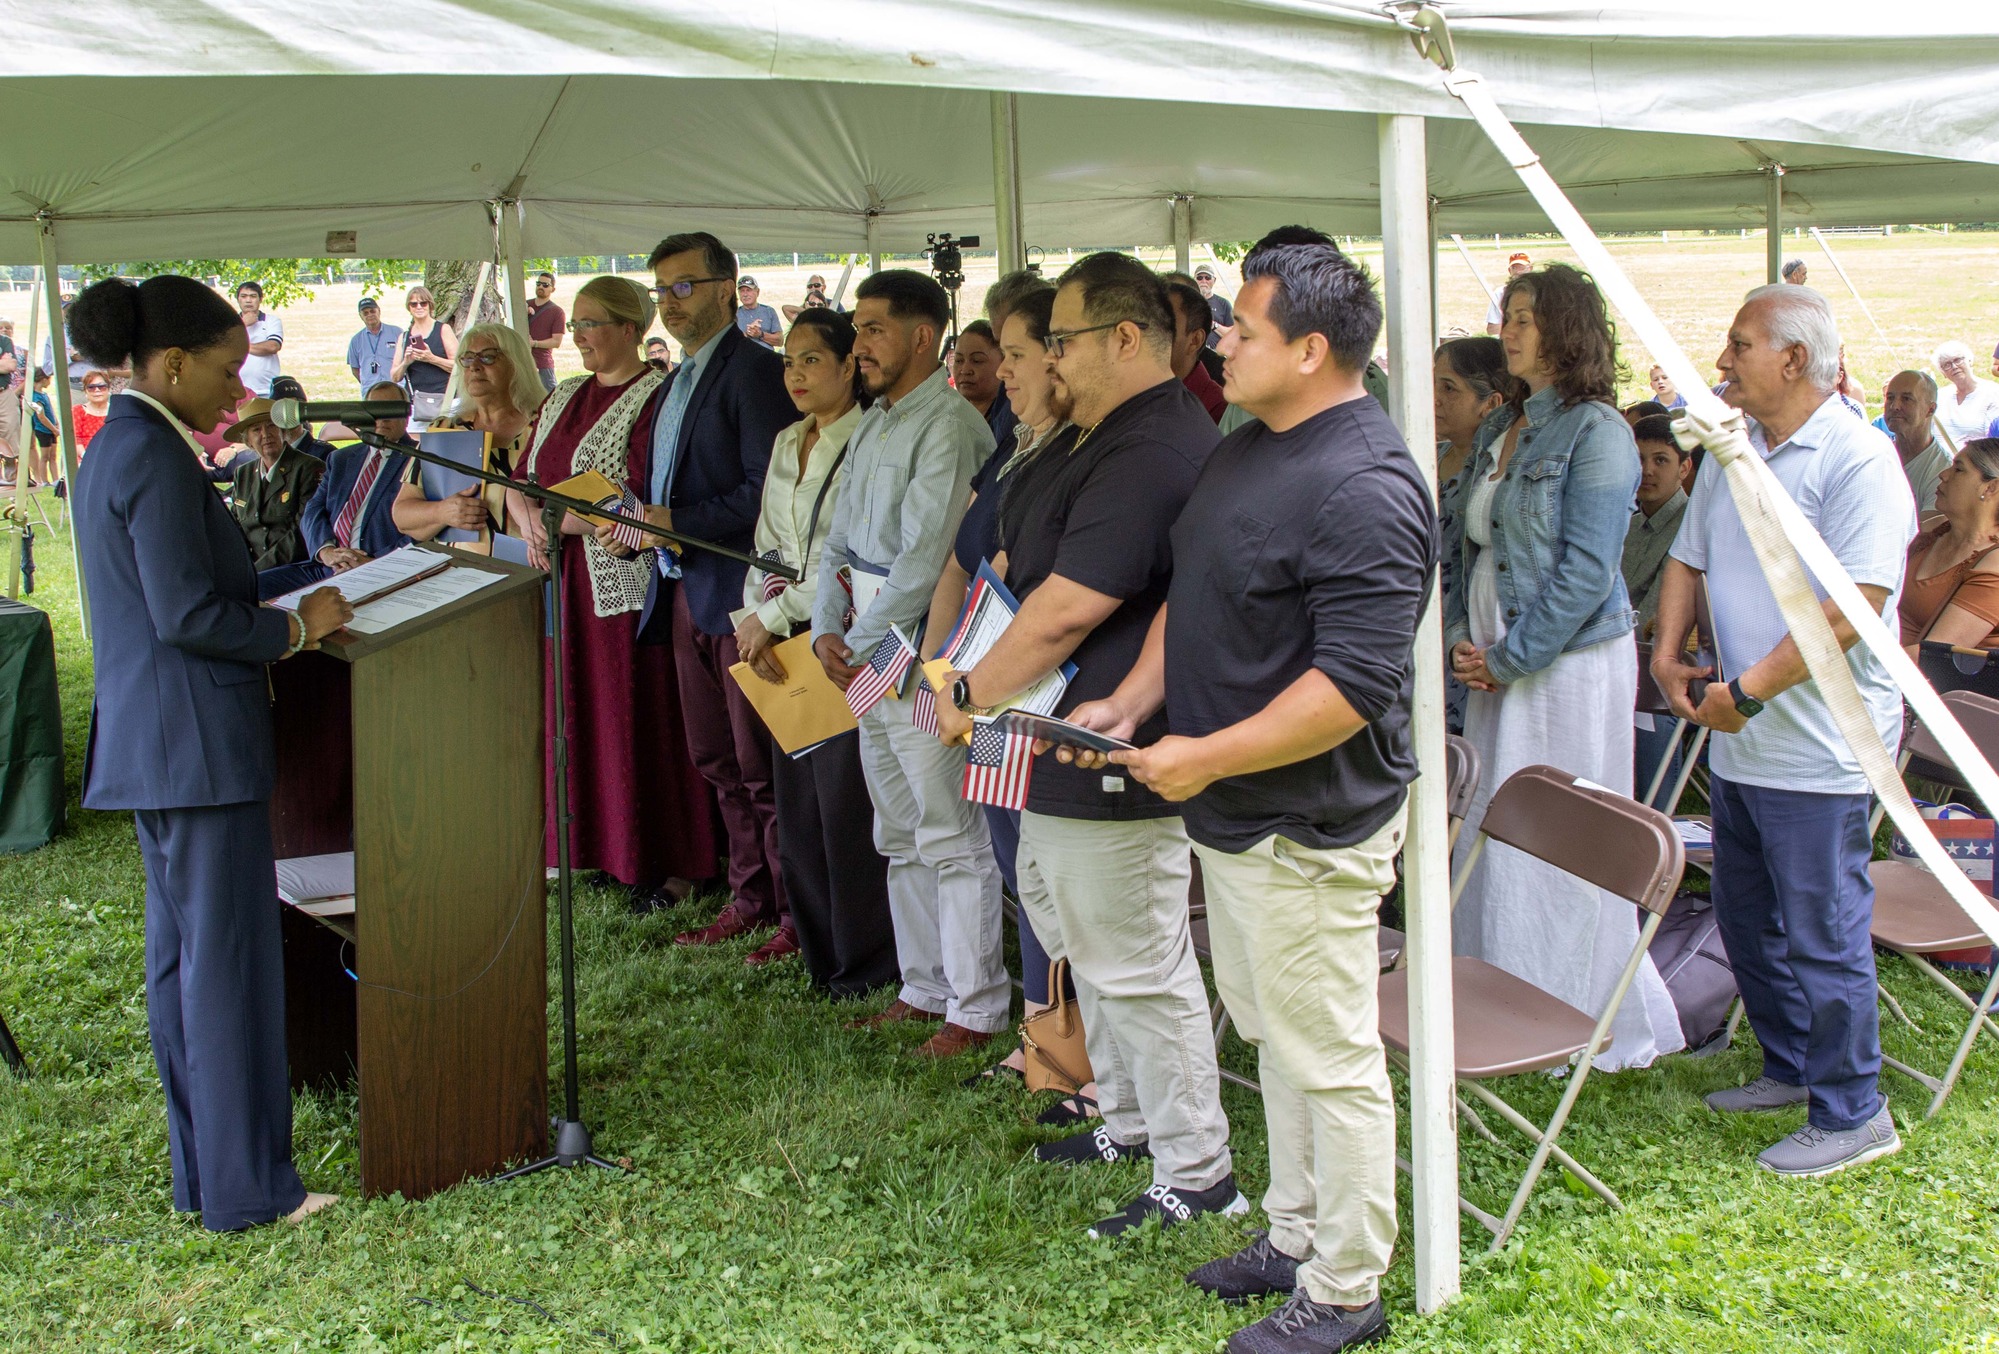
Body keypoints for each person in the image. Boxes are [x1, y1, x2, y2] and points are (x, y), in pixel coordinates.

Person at [1066, 240, 1437, 1353]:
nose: (1216, 340)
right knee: (1274, 1037)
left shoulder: (1367, 484)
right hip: (1233, 811)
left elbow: (1352, 689)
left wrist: (1209, 753)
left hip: (1309, 824)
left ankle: (1345, 1287)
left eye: (1241, 329)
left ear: (1313, 350)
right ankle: (1291, 1232)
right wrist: (1134, 703)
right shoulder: (1244, 441)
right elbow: (1198, 585)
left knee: (1325, 1052)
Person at [934, 250, 1238, 1234]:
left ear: (1122, 338)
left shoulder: (1152, 445)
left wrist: (965, 686)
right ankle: (1132, 1118)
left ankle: (1197, 1171)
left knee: (1137, 960)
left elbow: (1066, 606)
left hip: (1123, 745)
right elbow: (1022, 563)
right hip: (1059, 736)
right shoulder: (1093, 432)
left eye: (1060, 338)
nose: (1049, 356)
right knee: (1085, 949)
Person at [68, 273, 352, 1231]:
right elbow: (187, 613)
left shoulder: (126, 444)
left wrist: (308, 573)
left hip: (162, 744)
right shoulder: (153, 453)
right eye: (231, 371)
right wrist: (295, 632)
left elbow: (192, 579)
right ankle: (249, 1192)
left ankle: (211, 1180)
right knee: (223, 967)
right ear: (174, 362)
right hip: (196, 743)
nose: (241, 393)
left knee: (188, 965)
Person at [1652, 282, 1912, 1176]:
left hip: (1817, 746)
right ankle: (1790, 1065)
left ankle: (1853, 1110)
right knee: (1745, 911)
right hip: (1743, 738)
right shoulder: (1737, 451)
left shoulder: (1857, 460)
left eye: (1737, 346)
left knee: (1822, 931)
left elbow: (1855, 609)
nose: (1721, 362)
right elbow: (1688, 554)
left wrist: (1747, 692)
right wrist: (1666, 650)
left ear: (1793, 359)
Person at [1445, 262, 1684, 1071]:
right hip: (1492, 659)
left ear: (1564, 330)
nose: (1506, 329)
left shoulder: (1599, 431)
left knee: (1553, 828)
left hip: (1563, 666)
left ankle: (1569, 1008)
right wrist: (1457, 638)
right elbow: (1461, 541)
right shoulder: (1497, 428)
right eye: (1505, 314)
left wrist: (1509, 658)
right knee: (1491, 822)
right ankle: (1492, 992)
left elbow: (1585, 572)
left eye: (1522, 316)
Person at [811, 269, 1007, 1056]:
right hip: (863, 652)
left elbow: (929, 561)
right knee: (897, 828)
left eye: (873, 329)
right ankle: (923, 986)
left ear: (922, 337)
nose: (858, 345)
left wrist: (857, 644)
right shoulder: (874, 422)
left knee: (951, 831)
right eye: (856, 330)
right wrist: (825, 625)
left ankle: (976, 1004)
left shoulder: (949, 425)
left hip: (924, 652)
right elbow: (835, 539)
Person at [605, 232, 793, 953]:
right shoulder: (677, 378)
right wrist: (630, 518)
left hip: (741, 595)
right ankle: (747, 898)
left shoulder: (751, 374)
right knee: (716, 759)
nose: (669, 305)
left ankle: (788, 912)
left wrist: (672, 522)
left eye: (683, 288)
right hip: (682, 589)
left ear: (725, 288)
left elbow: (764, 494)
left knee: (758, 766)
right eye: (660, 292)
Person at [508, 274, 718, 905]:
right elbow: (522, 479)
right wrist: (532, 527)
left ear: (631, 328)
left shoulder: (657, 396)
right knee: (578, 716)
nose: (578, 337)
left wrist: (553, 521)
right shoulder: (564, 393)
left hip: (625, 582)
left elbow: (640, 497)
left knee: (633, 717)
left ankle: (669, 860)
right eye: (574, 325)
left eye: (591, 324)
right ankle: (601, 849)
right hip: (564, 578)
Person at [736, 309, 894, 995]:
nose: (795, 373)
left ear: (848, 366)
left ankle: (864, 959)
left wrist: (774, 614)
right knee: (796, 799)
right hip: (774, 632)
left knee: (843, 805)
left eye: (811, 360)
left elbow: (840, 551)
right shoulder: (784, 439)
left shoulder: (867, 439)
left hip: (837, 631)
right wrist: (754, 618)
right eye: (788, 361)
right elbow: (766, 539)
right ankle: (818, 948)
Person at [254, 381, 420, 599]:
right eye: (375, 409)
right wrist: (325, 551)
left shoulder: (419, 459)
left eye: (390, 408)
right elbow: (313, 509)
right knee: (252, 588)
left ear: (406, 413)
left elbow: (423, 527)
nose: (382, 416)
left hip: (377, 567)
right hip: (328, 565)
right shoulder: (341, 458)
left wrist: (377, 563)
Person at [396, 321, 545, 542]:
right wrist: (442, 512)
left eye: (488, 356)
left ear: (516, 364)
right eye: (467, 358)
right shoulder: (447, 430)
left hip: (534, 570)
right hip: (461, 570)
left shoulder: (544, 429)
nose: (474, 366)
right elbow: (402, 516)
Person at [1433, 336, 1510, 737]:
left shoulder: (1493, 477)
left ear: (1491, 404)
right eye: (1432, 384)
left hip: (1465, 635)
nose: (1434, 398)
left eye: (1449, 388)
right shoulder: (1423, 457)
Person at [1899, 437, 1999, 656]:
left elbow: (1932, 657)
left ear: (1990, 487)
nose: (1943, 474)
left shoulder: (1994, 567)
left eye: (1958, 469)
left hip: (1907, 680)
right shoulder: (1933, 531)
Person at [226, 397, 325, 569]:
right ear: (247, 440)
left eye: (271, 426)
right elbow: (234, 530)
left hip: (295, 567)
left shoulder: (307, 468)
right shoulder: (243, 473)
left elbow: (302, 532)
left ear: (283, 431)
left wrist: (257, 571)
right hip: (253, 568)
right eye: (256, 430)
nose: (266, 435)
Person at [1624, 413, 1692, 639]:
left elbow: (1649, 625)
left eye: (1660, 460)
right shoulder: (1626, 525)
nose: (1646, 470)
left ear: (1684, 468)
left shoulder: (1691, 529)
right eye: (1638, 459)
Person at [1881, 369, 1951, 513]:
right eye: (1890, 398)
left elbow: (1929, 532)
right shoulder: (1877, 455)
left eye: (1906, 399)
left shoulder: (1942, 470)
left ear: (1930, 409)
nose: (1895, 406)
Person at [391, 287, 457, 425]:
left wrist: (431, 358)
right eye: (414, 304)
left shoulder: (443, 329)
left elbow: (458, 367)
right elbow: (394, 377)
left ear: (430, 305)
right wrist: (406, 362)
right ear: (409, 307)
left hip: (447, 401)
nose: (419, 307)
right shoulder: (404, 337)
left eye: (423, 303)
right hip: (418, 404)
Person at [1164, 279, 1227, 422]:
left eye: (1164, 325)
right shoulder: (1136, 390)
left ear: (1195, 340)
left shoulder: (1217, 408)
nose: (1149, 334)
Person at [950, 319, 1013, 449]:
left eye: (977, 361)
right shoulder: (949, 414)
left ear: (1003, 362)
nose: (965, 370)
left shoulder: (1010, 420)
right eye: (958, 360)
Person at [1933, 340, 1999, 446]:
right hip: (1938, 460)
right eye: (1947, 365)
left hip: (1975, 460)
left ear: (1970, 361)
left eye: (1958, 360)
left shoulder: (1993, 393)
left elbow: (1993, 442)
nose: (1954, 366)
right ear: (1943, 373)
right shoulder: (1939, 396)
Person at [234, 281, 283, 396]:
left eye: (253, 296)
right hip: (236, 391)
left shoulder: (271, 321)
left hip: (266, 390)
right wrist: (243, 324)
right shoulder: (229, 323)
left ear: (260, 299)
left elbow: (272, 346)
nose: (248, 300)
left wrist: (240, 346)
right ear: (238, 299)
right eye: (244, 296)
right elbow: (221, 345)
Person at [345, 297, 402, 393]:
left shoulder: (397, 332)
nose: (370, 315)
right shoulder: (356, 340)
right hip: (370, 392)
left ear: (379, 311)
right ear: (360, 316)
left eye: (372, 311)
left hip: (395, 389)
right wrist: (367, 382)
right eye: (365, 313)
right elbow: (355, 369)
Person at [526, 271, 565, 392]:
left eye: (545, 285)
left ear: (552, 289)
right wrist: (524, 309)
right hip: (522, 361)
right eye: (538, 283)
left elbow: (556, 342)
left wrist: (535, 343)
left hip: (542, 363)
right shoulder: (524, 305)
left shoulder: (557, 312)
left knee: (550, 398)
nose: (540, 287)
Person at [1484, 250, 1532, 334]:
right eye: (1514, 268)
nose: (1518, 272)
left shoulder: (1540, 292)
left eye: (1522, 268)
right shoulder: (1500, 293)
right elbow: (1492, 329)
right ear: (1509, 271)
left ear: (1530, 269)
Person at [734, 276, 784, 349]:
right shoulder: (734, 315)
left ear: (757, 292)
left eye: (748, 290)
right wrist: (747, 334)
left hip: (766, 356)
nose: (745, 294)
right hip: (744, 356)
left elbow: (780, 341)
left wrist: (760, 334)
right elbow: (729, 343)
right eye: (742, 291)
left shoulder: (769, 311)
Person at [73, 369, 114, 450]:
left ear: (109, 389)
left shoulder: (116, 411)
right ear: (85, 391)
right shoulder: (77, 411)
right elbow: (76, 441)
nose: (97, 390)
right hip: (84, 459)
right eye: (91, 387)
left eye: (101, 387)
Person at [1193, 265, 1232, 347]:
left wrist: (1213, 325)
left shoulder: (1224, 304)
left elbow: (1233, 335)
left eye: (1208, 277)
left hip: (1216, 355)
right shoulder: (1188, 302)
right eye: (1199, 278)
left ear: (1214, 280)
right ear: (1194, 280)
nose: (1204, 281)